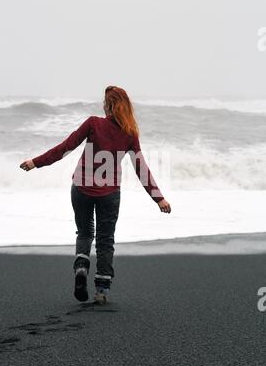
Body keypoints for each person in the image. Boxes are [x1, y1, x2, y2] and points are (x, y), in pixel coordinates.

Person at [20, 86, 171, 305]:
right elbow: (141, 168)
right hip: (109, 194)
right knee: (105, 240)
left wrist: (35, 162)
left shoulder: (93, 123)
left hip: (81, 188)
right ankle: (101, 291)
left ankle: (81, 268)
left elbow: (65, 147)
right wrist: (159, 198)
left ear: (108, 105)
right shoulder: (129, 133)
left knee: (84, 233)